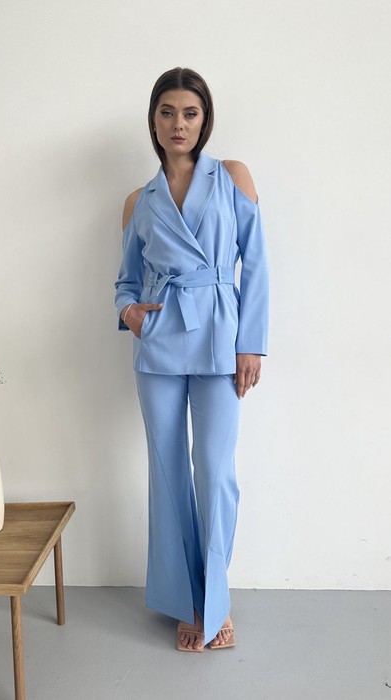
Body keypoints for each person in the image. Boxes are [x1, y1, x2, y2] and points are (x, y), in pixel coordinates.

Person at [114, 67, 269, 652]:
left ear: (205, 120)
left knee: (216, 471)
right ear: (153, 121)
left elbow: (256, 263)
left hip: (221, 339)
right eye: (167, 112)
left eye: (190, 113)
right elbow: (125, 281)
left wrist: (251, 342)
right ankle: (187, 603)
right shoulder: (139, 200)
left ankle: (216, 599)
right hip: (158, 342)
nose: (178, 123)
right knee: (168, 475)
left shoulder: (233, 176)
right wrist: (129, 312)